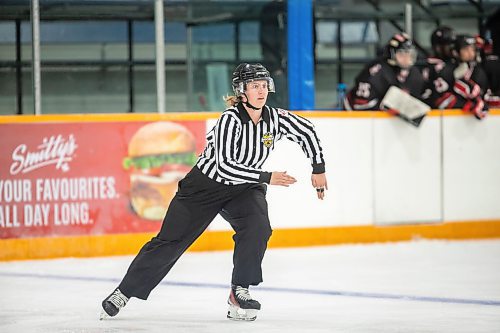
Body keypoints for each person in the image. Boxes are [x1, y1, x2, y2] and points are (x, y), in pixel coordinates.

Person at [100, 63, 328, 322]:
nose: (261, 91)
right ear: (242, 91)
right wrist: (267, 177)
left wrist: (317, 168)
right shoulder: (229, 121)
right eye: (255, 86)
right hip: (204, 187)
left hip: (244, 186)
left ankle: (239, 290)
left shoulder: (274, 118)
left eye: (264, 85)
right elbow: (226, 167)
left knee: (258, 227)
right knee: (170, 242)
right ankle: (123, 292)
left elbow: (306, 130)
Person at [343, 33, 426, 125]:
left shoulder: (414, 74)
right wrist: (384, 107)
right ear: (392, 54)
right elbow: (359, 105)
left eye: (410, 55)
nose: (407, 59)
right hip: (354, 120)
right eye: (402, 55)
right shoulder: (376, 72)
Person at [430, 34, 489, 119]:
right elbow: (440, 100)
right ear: (456, 52)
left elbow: (483, 96)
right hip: (449, 120)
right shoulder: (446, 70)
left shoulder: (479, 71)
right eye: (466, 49)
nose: (470, 53)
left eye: (473, 49)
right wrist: (466, 104)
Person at [421, 26, 456, 107]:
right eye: (449, 45)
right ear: (438, 47)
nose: (452, 49)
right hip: (432, 109)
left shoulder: (455, 63)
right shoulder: (430, 66)